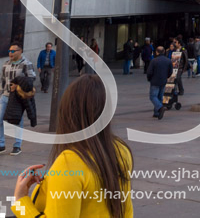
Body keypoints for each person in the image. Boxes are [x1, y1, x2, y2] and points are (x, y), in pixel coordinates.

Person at [12, 74, 133, 217]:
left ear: (67, 112)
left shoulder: (69, 164)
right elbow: (126, 211)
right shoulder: (120, 149)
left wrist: (20, 202)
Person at [0, 42, 36, 155]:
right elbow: (2, 80)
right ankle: (1, 144)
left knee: (17, 121)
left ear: (20, 51)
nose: (10, 53)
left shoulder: (26, 64)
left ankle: (17, 146)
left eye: (12, 51)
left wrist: (18, 85)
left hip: (17, 98)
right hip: (5, 96)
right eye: (9, 51)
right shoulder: (5, 64)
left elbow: (31, 78)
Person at [147, 46, 173, 119]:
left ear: (157, 52)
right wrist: (166, 77)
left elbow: (149, 72)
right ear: (164, 51)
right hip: (163, 80)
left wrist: (149, 78)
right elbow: (170, 71)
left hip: (155, 81)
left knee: (153, 96)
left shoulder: (154, 61)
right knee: (160, 96)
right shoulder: (168, 60)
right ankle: (157, 112)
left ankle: (160, 107)